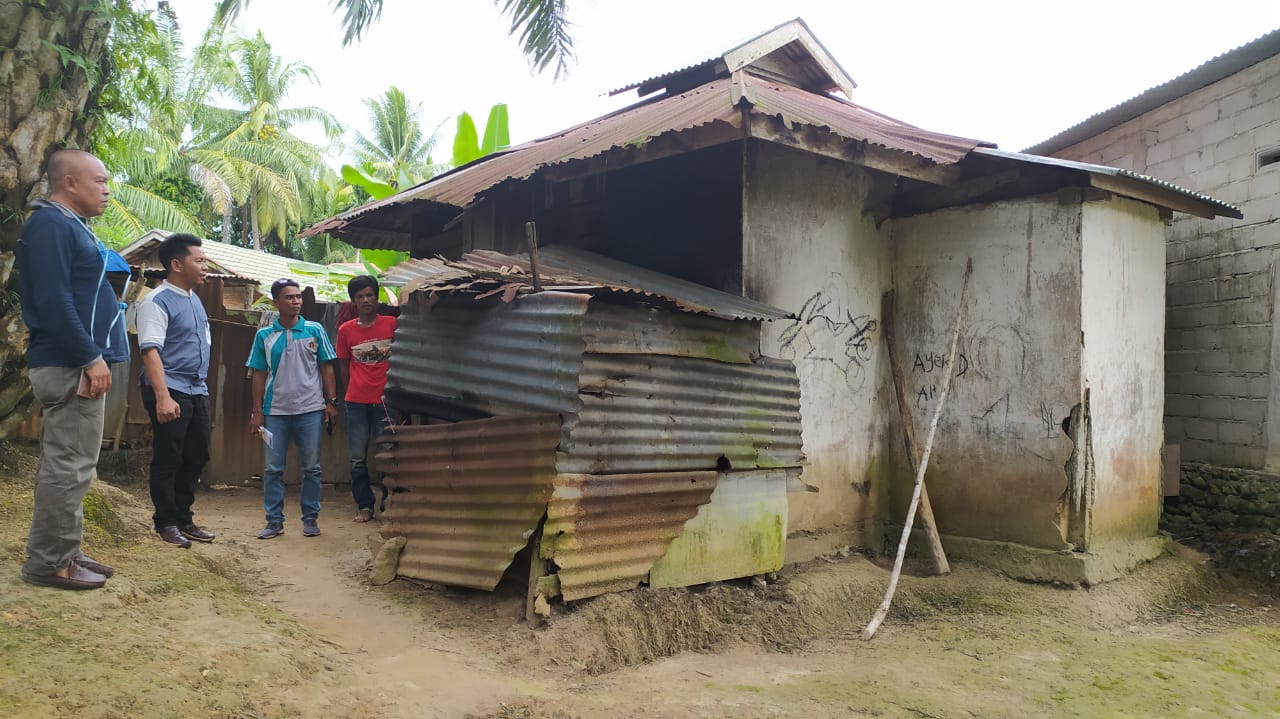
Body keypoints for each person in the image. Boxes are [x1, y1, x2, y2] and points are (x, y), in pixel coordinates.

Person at [16, 149, 128, 590]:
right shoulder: (50, 225)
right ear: (69, 183)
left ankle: (65, 550)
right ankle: (49, 564)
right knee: (69, 466)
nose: (106, 190)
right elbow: (54, 300)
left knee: (72, 464)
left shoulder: (67, 225)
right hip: (70, 366)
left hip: (71, 362)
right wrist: (89, 357)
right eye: (99, 181)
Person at [135, 233, 215, 549]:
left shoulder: (194, 298)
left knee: (197, 455)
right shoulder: (156, 301)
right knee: (169, 457)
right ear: (177, 265)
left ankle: (183, 518)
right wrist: (163, 396)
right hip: (169, 388)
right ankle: (165, 522)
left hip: (196, 389)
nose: (206, 266)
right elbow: (150, 351)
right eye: (200, 260)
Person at [247, 278, 339, 539]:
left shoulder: (315, 330)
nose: (296, 301)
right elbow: (258, 373)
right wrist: (257, 412)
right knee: (272, 469)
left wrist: (331, 402)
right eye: (289, 297)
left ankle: (310, 518)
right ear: (276, 302)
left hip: (310, 409)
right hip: (275, 412)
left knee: (312, 467)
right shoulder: (264, 335)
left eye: (298, 297)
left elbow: (327, 367)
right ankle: (274, 522)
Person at [335, 275, 398, 523]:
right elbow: (343, 367)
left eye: (370, 295)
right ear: (353, 301)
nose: (366, 300)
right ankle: (364, 506)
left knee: (389, 454)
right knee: (357, 457)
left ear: (377, 297)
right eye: (360, 296)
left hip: (387, 402)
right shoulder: (345, 331)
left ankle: (389, 504)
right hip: (357, 403)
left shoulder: (392, 325)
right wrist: (350, 392)